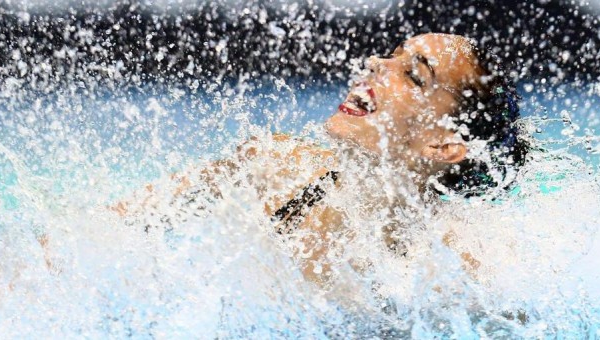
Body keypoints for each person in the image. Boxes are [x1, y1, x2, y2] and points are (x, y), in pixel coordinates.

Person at [115, 33, 528, 285]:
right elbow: (108, 230)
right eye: (392, 54)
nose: (376, 63)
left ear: (443, 147)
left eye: (413, 75)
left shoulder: (459, 262)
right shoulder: (271, 166)